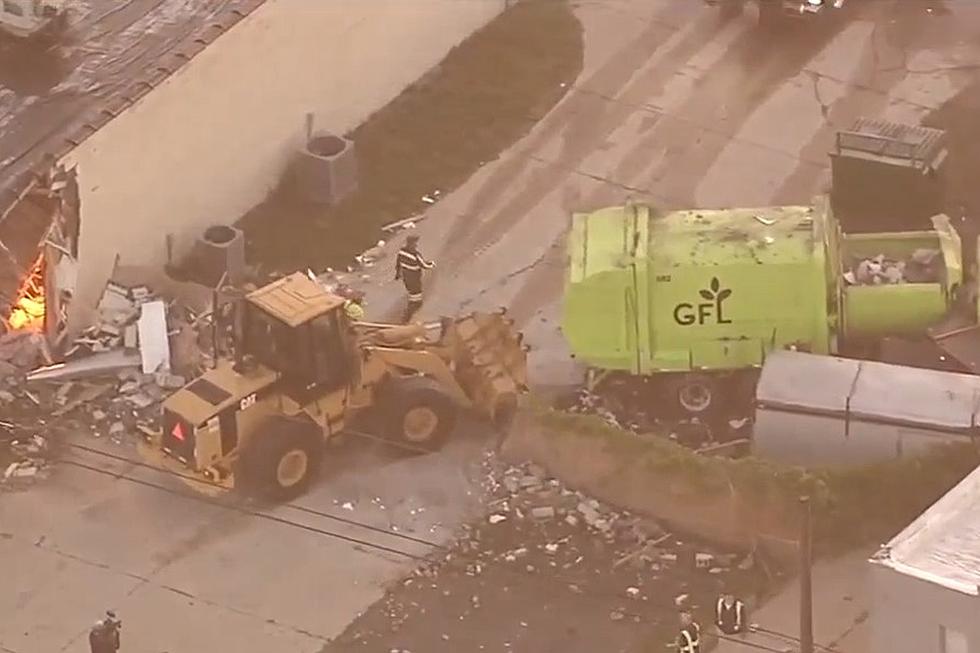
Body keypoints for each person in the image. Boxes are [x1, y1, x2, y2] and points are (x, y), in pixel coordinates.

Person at [394, 234, 434, 323]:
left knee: (412, 294)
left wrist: (397, 275)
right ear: (412, 243)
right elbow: (424, 265)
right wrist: (432, 264)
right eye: (415, 242)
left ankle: (408, 315)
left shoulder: (401, 252)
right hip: (414, 277)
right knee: (416, 299)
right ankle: (406, 318)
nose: (416, 244)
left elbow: (398, 263)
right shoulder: (415, 254)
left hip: (406, 276)